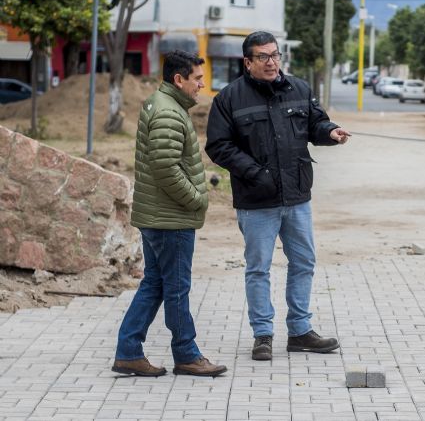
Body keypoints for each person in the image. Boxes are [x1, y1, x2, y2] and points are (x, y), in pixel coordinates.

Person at [205, 31, 350, 361]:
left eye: (275, 55)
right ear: (248, 62)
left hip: (297, 196)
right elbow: (218, 146)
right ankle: (263, 335)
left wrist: (331, 132)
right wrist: (256, 174)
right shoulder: (228, 99)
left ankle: (300, 331)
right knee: (258, 268)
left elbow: (317, 123)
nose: (271, 62)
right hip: (257, 201)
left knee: (304, 262)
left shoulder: (298, 88)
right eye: (263, 57)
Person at [112, 50, 227, 377]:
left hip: (158, 215)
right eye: (197, 79)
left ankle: (128, 351)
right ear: (179, 79)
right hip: (170, 218)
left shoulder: (163, 105)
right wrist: (196, 199)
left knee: (155, 284)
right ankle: (187, 354)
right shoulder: (167, 112)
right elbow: (165, 167)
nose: (201, 86)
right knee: (176, 287)